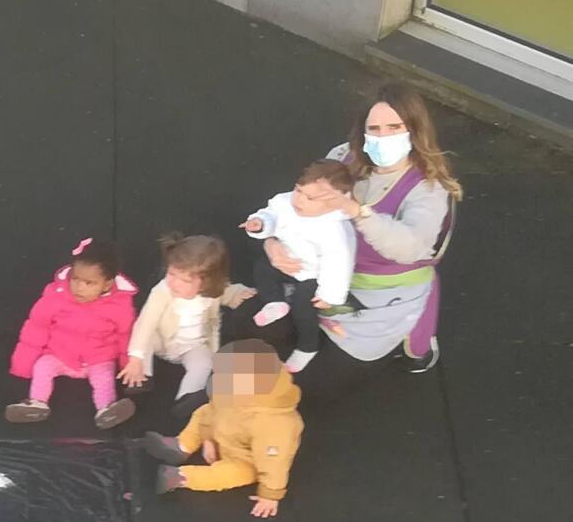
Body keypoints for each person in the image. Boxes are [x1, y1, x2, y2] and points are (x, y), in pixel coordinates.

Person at [262, 82, 462, 386]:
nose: (383, 138)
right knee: (253, 328)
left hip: (380, 287)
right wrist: (273, 241)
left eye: (394, 128)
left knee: (310, 387)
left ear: (414, 129)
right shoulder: (344, 156)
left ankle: (415, 344)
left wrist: (358, 212)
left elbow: (411, 247)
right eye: (375, 129)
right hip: (327, 268)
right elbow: (301, 202)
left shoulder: (428, 188)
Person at [140, 339, 303, 519]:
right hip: (222, 430)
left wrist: (270, 495)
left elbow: (274, 462)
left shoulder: (276, 424)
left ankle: (180, 477)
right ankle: (182, 446)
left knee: (232, 473)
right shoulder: (231, 388)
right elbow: (212, 411)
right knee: (202, 413)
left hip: (246, 458)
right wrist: (208, 439)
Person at [240, 159, 358, 373]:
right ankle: (275, 302)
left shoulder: (333, 230)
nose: (299, 199)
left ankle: (307, 346)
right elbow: (270, 215)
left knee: (303, 307)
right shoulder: (284, 203)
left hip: (313, 274)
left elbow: (338, 264)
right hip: (288, 260)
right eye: (298, 190)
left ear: (333, 203)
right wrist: (260, 223)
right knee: (262, 268)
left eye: (310, 198)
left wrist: (330, 295)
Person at [121, 234, 255, 422]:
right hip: (163, 343)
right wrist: (136, 358)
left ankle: (186, 398)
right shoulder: (162, 291)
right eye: (171, 274)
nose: (174, 283)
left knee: (204, 363)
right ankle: (142, 379)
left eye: (185, 281)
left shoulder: (214, 291)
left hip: (193, 346)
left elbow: (230, 292)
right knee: (145, 338)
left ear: (207, 282)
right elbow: (146, 323)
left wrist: (243, 293)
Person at [5, 238, 138, 428]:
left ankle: (106, 409)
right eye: (75, 279)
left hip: (98, 359)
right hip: (60, 355)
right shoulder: (56, 295)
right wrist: (22, 366)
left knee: (104, 378)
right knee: (42, 367)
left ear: (107, 284)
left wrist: (128, 367)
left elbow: (126, 336)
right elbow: (37, 327)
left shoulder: (120, 305)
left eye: (89, 283)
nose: (79, 287)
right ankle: (36, 403)